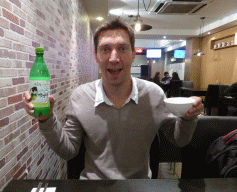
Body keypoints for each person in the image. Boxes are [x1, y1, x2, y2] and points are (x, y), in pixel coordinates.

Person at [23, 19, 203, 180]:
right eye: (105, 49)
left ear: (133, 54)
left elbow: (179, 139)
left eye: (122, 48)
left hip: (138, 186)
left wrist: (188, 118)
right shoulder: (81, 96)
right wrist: (46, 119)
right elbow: (68, 151)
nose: (114, 58)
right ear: (96, 56)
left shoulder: (154, 94)